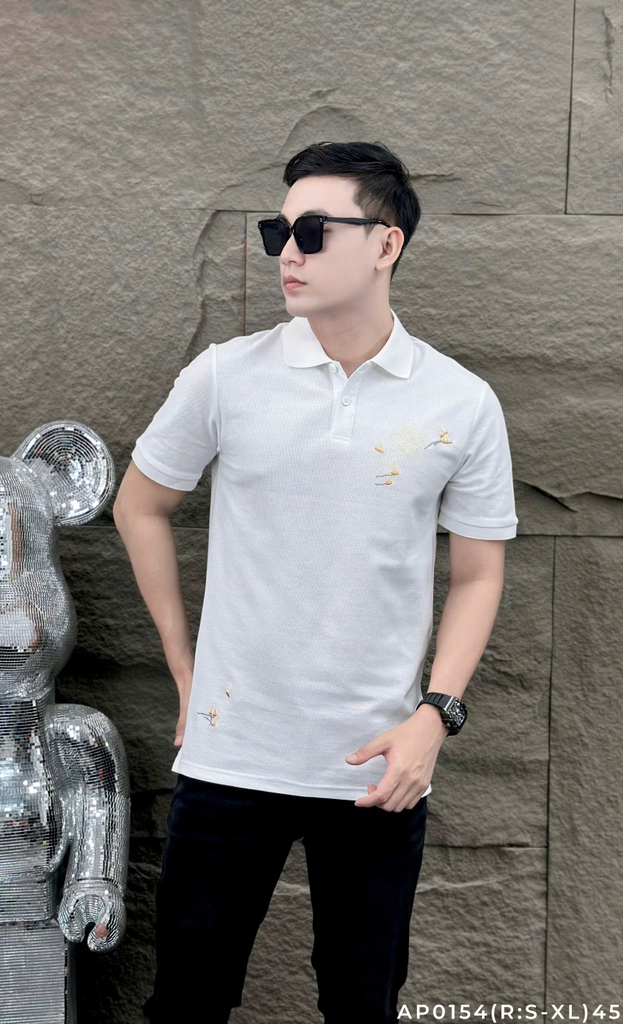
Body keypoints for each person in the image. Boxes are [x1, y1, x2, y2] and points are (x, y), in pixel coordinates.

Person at [113, 140, 518, 1024]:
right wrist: (185, 671)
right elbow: (139, 505)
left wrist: (434, 718)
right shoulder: (225, 376)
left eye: (312, 231)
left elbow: (479, 573)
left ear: (386, 244)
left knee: (363, 1004)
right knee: (186, 1003)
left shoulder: (461, 402)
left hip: (380, 765)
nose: (287, 252)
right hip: (231, 754)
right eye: (278, 231)